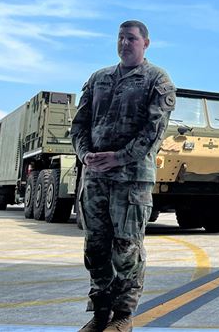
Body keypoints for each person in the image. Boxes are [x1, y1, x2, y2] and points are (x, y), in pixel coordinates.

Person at [71, 20, 175, 332]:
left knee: (127, 248)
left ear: (146, 43)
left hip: (131, 179)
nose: (124, 43)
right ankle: (100, 313)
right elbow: (80, 124)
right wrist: (85, 155)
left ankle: (123, 316)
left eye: (131, 38)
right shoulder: (98, 78)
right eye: (120, 38)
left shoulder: (157, 79)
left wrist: (117, 157)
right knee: (96, 247)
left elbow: (152, 132)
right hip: (95, 178)